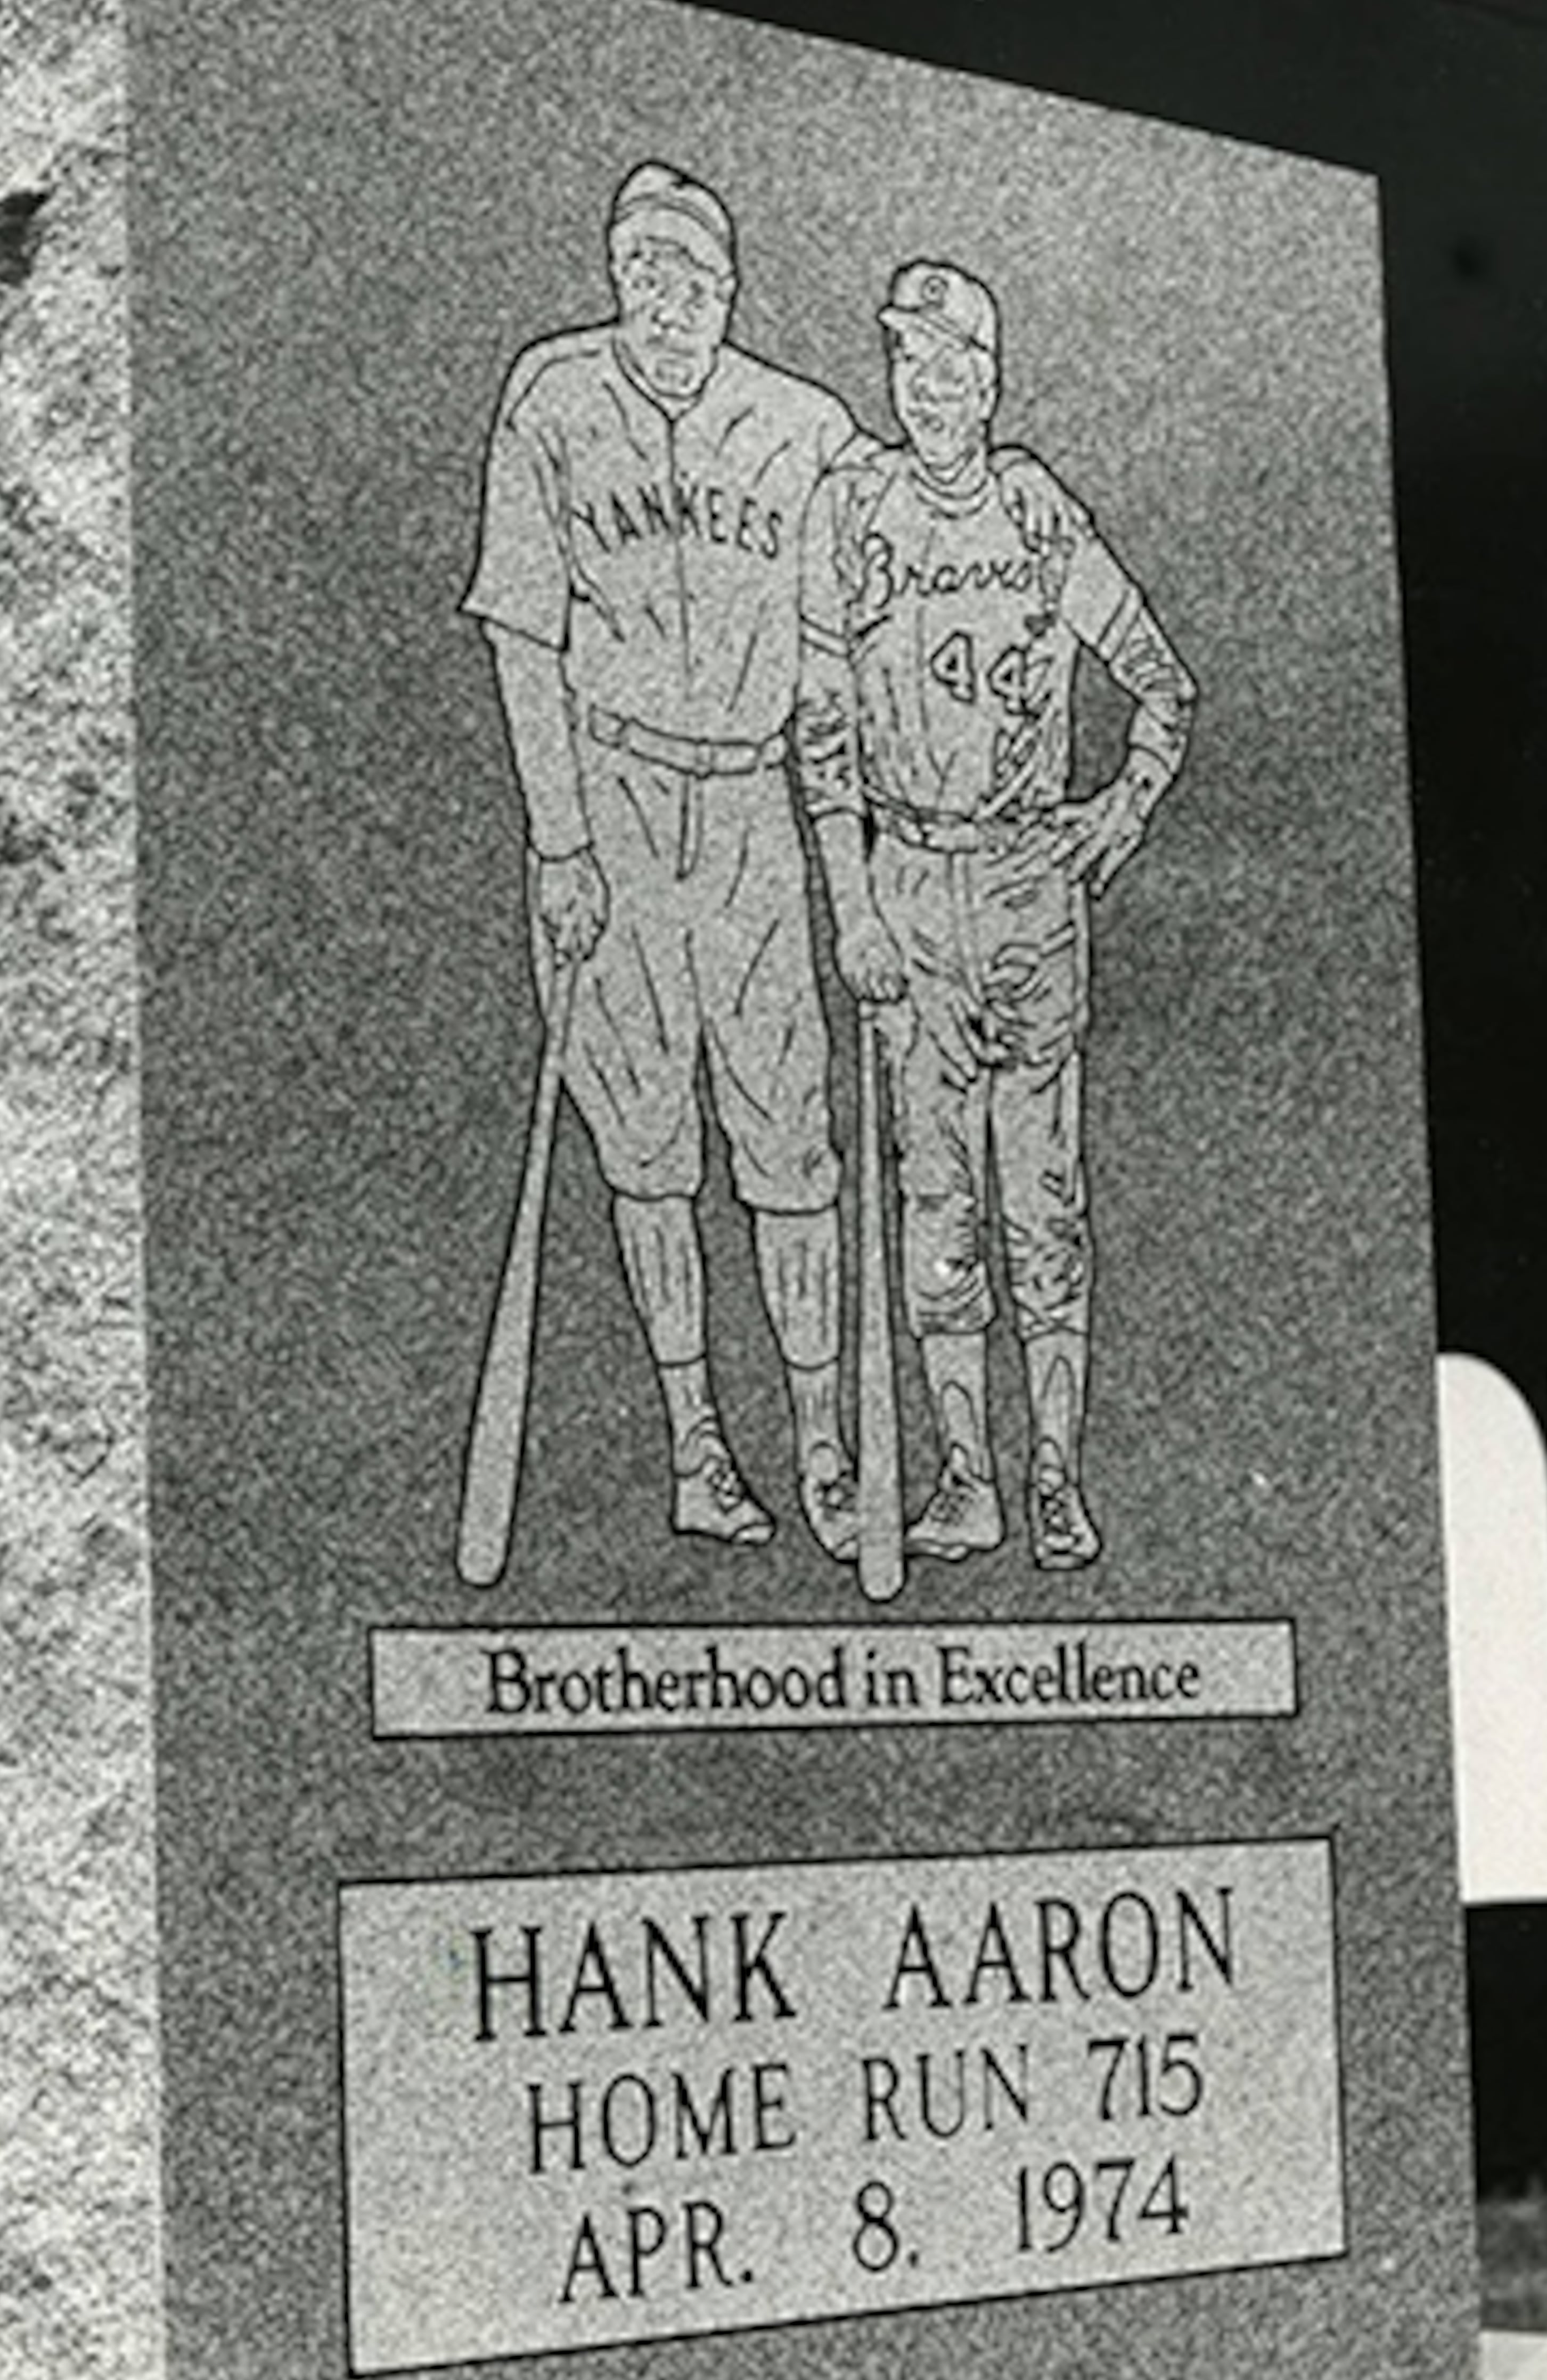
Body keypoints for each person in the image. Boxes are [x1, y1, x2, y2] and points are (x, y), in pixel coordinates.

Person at [462, 163, 861, 1557]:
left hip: (749, 806)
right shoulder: (553, 400)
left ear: (730, 289)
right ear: (615, 278)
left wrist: (853, 870)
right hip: (611, 800)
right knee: (646, 1146)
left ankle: (821, 1443)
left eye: (692, 276)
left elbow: (838, 661)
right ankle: (699, 1443)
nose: (667, 299)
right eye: (643, 271)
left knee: (790, 1136)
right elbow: (521, 630)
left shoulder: (805, 427)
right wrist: (559, 838)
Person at [795, 260, 1198, 1571]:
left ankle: (1056, 1476)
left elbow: (1161, 687)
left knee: (1046, 1200)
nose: (931, 387)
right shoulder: (852, 510)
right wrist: (851, 904)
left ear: (992, 376)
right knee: (938, 1201)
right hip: (909, 884)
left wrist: (1118, 817)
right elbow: (821, 733)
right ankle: (967, 1476)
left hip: (1030, 888)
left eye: (953, 364)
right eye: (910, 365)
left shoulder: (1035, 513)